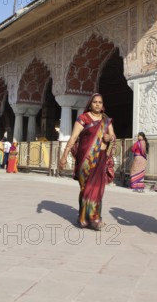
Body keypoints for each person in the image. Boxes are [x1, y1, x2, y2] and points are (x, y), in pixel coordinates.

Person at [59, 93, 116, 231]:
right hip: (85, 159)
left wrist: (109, 138)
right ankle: (84, 217)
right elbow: (73, 138)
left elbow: (113, 136)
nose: (97, 104)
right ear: (90, 104)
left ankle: (95, 218)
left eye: (100, 102)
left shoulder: (106, 120)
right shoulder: (83, 119)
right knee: (86, 189)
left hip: (101, 157)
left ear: (102, 104)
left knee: (97, 189)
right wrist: (64, 155)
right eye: (95, 102)